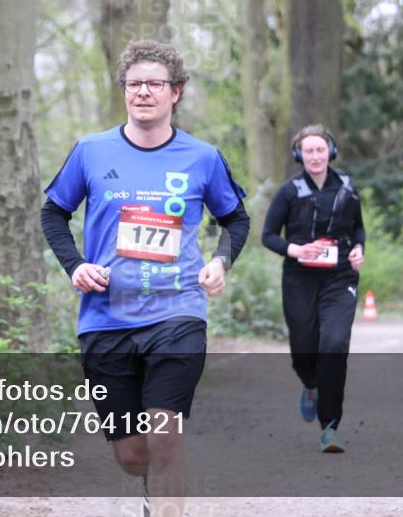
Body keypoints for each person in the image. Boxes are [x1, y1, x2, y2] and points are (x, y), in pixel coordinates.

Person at [40, 40, 250, 515]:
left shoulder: (202, 157)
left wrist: (220, 262)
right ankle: (155, 486)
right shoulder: (92, 151)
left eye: (155, 84)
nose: (143, 93)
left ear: (176, 92)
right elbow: (53, 212)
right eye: (134, 84)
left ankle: (169, 505)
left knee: (165, 436)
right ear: (124, 92)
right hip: (105, 318)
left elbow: (236, 219)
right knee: (133, 455)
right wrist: (76, 266)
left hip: (177, 312)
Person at [261, 124, 365, 453]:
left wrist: (359, 250)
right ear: (299, 155)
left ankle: (330, 427)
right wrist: (295, 250)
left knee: (334, 345)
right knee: (304, 351)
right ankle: (309, 385)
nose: (316, 156)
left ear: (330, 152)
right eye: (309, 151)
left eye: (321, 150)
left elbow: (358, 229)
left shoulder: (347, 185)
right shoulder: (289, 191)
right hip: (299, 278)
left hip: (340, 277)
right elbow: (269, 235)